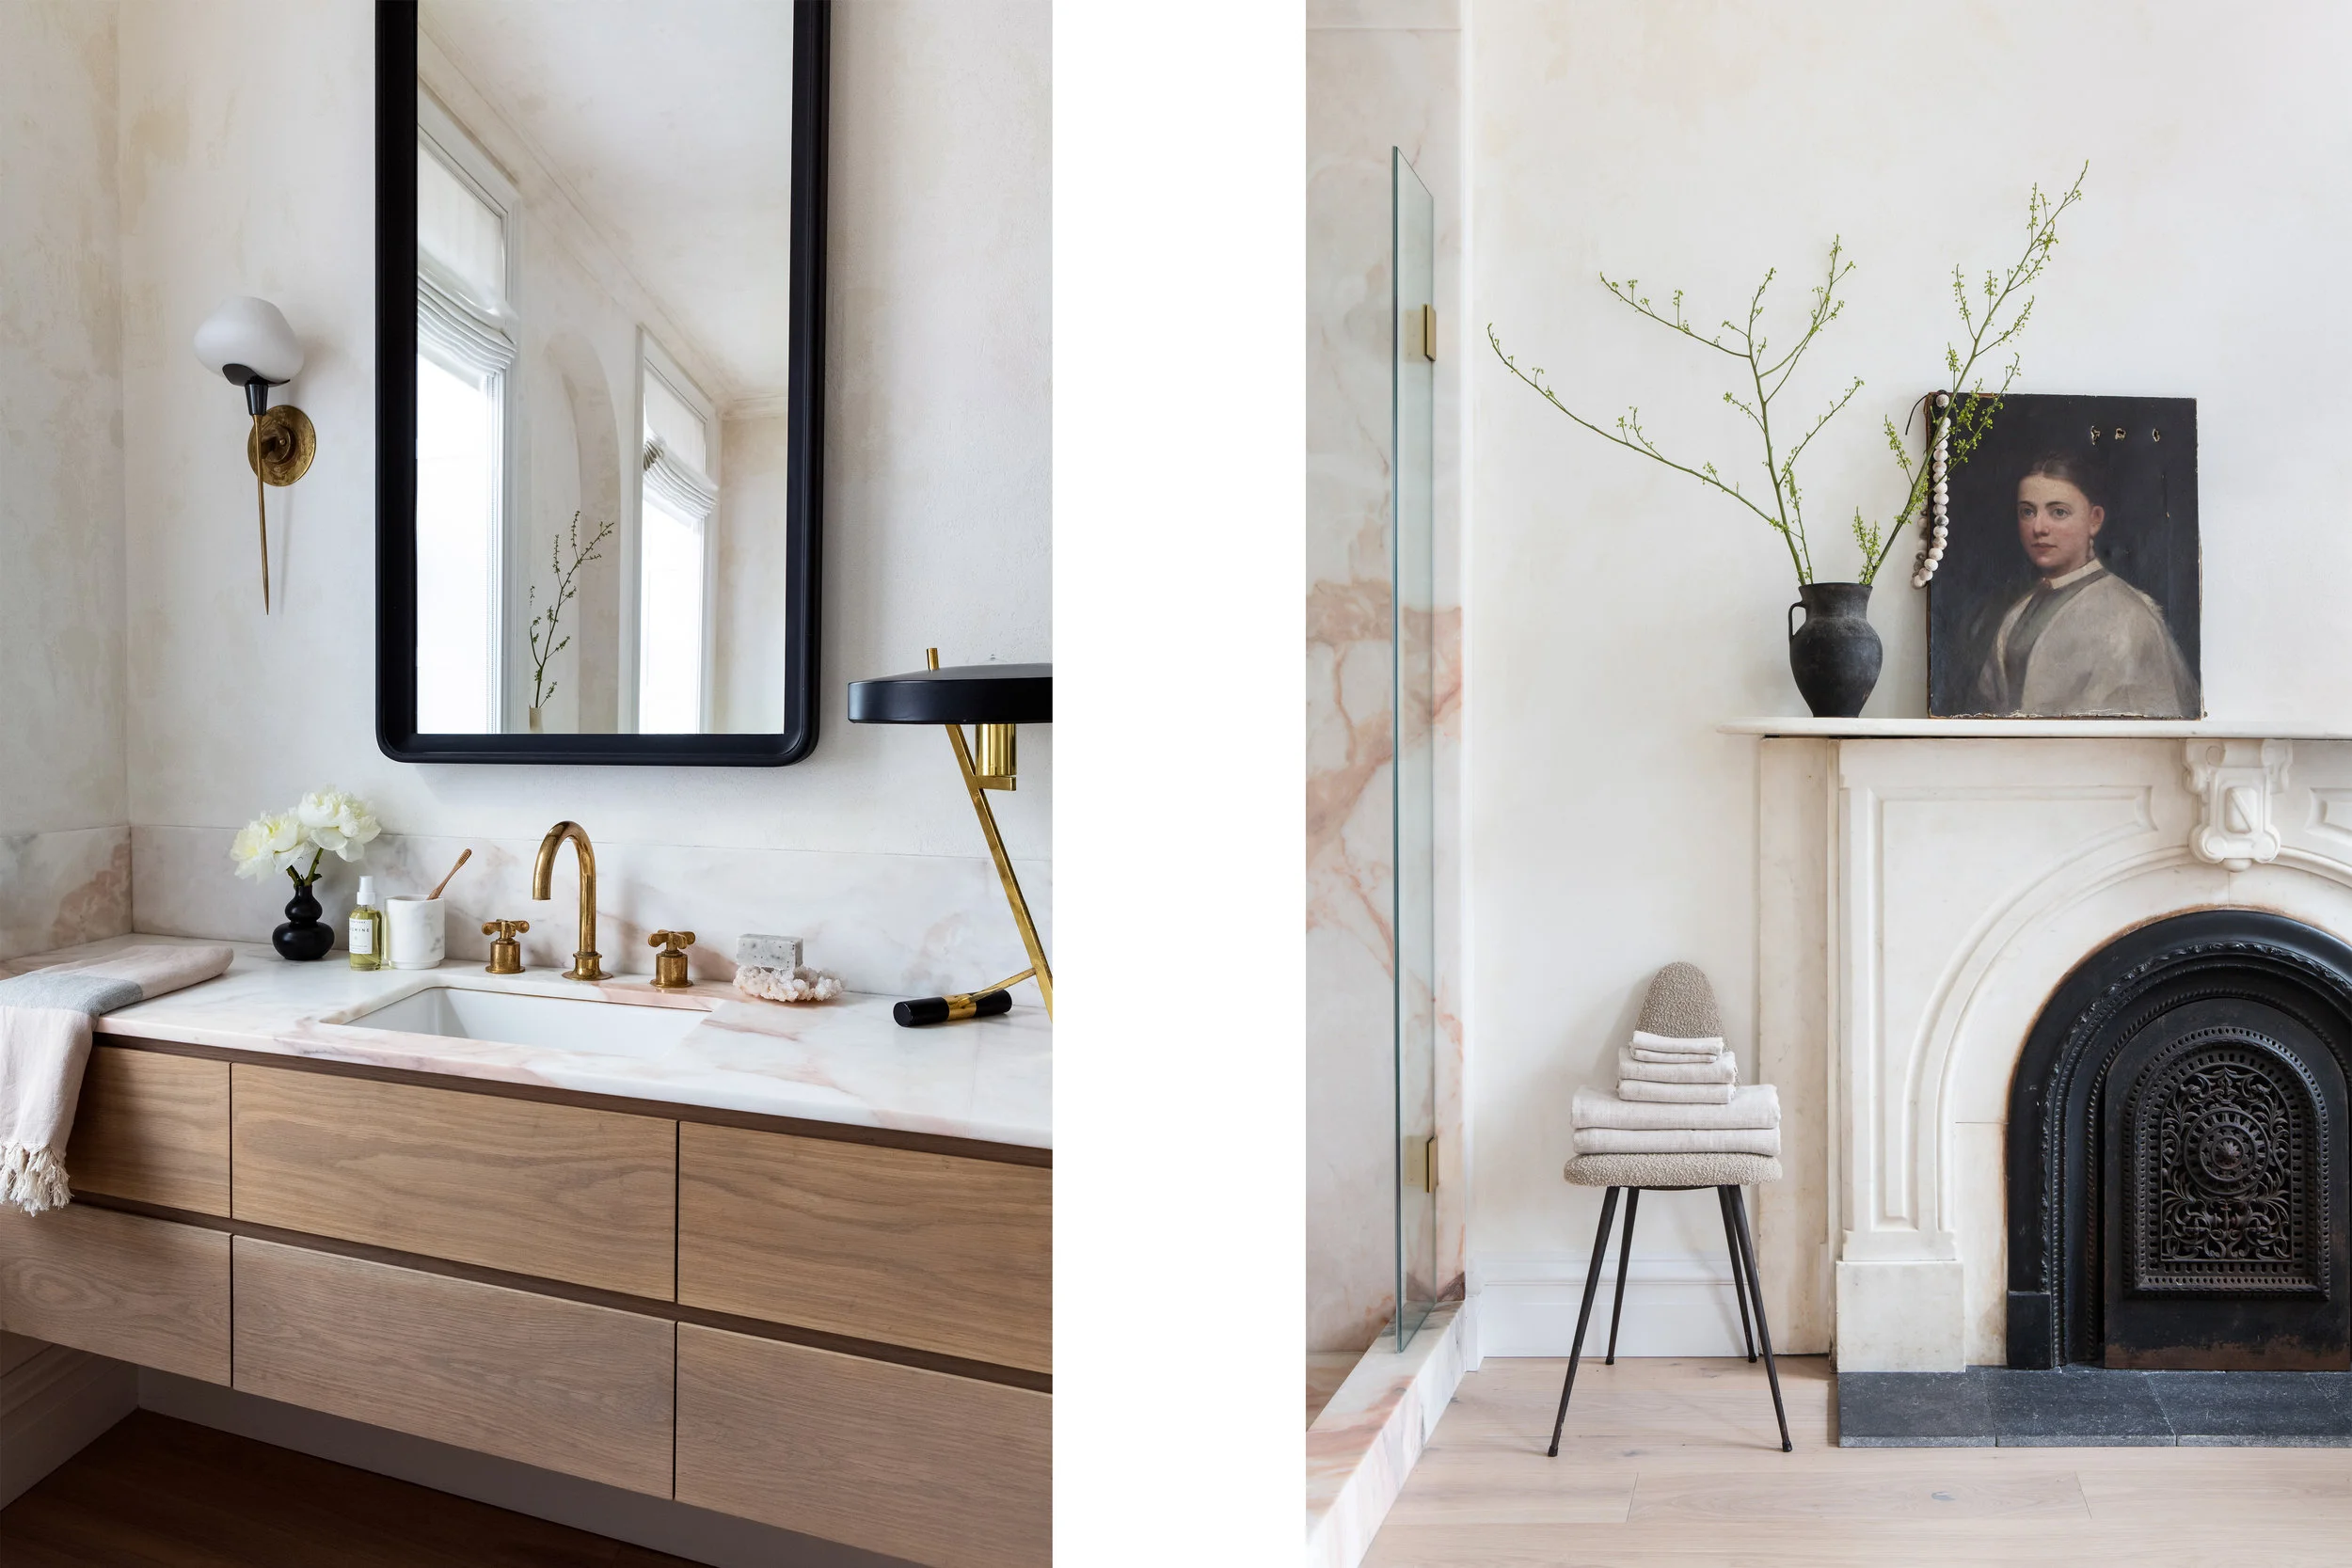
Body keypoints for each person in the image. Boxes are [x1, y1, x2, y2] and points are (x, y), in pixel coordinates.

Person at [1968, 452, 2197, 717]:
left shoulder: (2128, 618)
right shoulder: (2018, 612)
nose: (2039, 527)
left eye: (2058, 512)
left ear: (2094, 519)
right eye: (2028, 512)